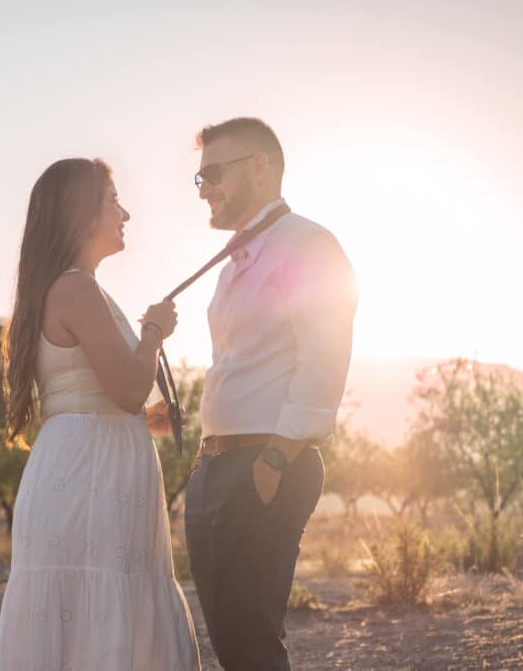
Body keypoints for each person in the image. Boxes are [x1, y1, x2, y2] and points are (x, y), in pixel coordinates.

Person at [0, 158, 200, 670]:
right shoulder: (77, 288)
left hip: (82, 464)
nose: (125, 212)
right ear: (80, 211)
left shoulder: (67, 288)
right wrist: (154, 330)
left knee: (89, 615)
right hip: (92, 476)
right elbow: (129, 389)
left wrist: (140, 420)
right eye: (113, 200)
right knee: (104, 608)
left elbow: (87, 397)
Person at [184, 118, 358, 670]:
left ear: (258, 166)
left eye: (212, 173)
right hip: (216, 467)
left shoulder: (308, 244)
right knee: (232, 644)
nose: (204, 188)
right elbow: (240, 365)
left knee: (253, 642)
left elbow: (324, 357)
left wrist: (278, 455)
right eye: (199, 177)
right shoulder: (235, 260)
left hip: (264, 463)